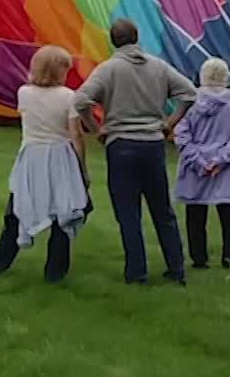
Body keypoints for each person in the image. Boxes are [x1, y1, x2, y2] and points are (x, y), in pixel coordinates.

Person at [73, 18, 197, 285]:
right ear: (137, 36)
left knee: (129, 213)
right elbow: (189, 93)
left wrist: (97, 129)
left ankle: (136, 272)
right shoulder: (158, 66)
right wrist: (170, 123)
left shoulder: (108, 69)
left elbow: (80, 100)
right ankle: (176, 268)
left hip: (121, 145)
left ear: (113, 40)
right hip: (152, 144)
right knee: (162, 211)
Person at [0, 45, 92, 283]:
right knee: (63, 211)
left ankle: (0, 263)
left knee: (18, 208)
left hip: (32, 157)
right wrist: (82, 169)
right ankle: (55, 272)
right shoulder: (69, 96)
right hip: (60, 157)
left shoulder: (24, 93)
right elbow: (76, 135)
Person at [174, 58, 230, 269]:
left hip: (196, 164)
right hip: (228, 165)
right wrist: (221, 159)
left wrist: (199, 161)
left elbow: (181, 134)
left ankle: (198, 258)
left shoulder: (190, 102)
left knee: (195, 213)